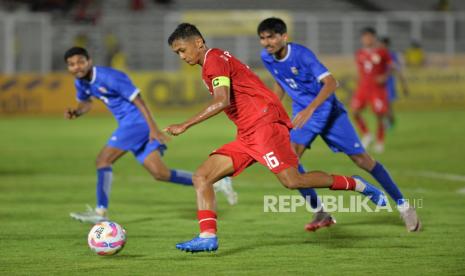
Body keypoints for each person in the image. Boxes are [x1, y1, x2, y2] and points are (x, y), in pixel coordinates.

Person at [164, 23, 388, 253]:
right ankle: (207, 236)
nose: (181, 56)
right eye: (177, 53)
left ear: (198, 42)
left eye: (182, 49)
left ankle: (357, 184)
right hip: (248, 132)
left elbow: (223, 101)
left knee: (293, 182)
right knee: (202, 176)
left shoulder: (214, 59)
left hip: (264, 126)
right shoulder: (213, 60)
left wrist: (185, 124)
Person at [257, 18, 420, 233]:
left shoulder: (302, 55)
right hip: (303, 114)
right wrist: (271, 109)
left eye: (271, 37)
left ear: (284, 37)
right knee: (290, 161)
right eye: (262, 38)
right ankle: (320, 211)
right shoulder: (266, 57)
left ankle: (404, 206)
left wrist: (311, 108)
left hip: (327, 111)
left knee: (362, 159)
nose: (267, 42)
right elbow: (281, 81)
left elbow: (331, 82)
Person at [63, 47, 237, 224]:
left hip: (136, 124)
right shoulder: (81, 82)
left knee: (103, 160)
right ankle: (216, 182)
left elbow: (139, 100)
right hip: (131, 126)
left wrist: (152, 128)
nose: (77, 67)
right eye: (71, 64)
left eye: (80, 62)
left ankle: (100, 212)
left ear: (89, 61)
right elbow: (85, 103)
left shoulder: (110, 77)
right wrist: (77, 112)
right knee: (160, 173)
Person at [352, 27, 391, 153]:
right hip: (363, 87)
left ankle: (380, 141)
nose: (367, 39)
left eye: (369, 37)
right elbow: (361, 70)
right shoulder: (359, 53)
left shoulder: (382, 52)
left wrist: (384, 76)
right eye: (365, 37)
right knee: (355, 111)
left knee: (380, 115)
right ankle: (367, 134)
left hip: (377, 89)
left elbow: (391, 66)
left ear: (374, 38)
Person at [380, 37, 409, 128]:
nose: (381, 46)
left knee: (387, 104)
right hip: (380, 83)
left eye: (383, 44)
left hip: (389, 81)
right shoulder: (377, 55)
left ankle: (390, 123)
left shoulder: (392, 56)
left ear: (387, 45)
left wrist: (404, 85)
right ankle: (389, 122)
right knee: (383, 104)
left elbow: (398, 70)